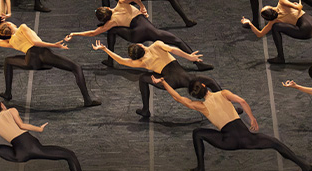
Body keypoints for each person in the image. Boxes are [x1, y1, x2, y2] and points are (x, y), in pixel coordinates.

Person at [154, 79, 312, 171]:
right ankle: (304, 166)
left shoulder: (200, 106)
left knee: (198, 133)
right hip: (247, 139)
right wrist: (252, 118)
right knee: (275, 143)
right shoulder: (223, 94)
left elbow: (178, 98)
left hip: (227, 142)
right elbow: (242, 101)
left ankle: (200, 169)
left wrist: (163, 82)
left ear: (195, 96)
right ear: (204, 85)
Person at [0, 22, 101, 108]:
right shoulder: (22, 28)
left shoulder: (10, 42)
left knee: (8, 61)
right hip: (43, 55)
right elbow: (35, 43)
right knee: (76, 68)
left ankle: (8, 93)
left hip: (31, 61)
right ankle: (87, 100)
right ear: (10, 26)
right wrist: (55, 45)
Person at [65, 0, 206, 68]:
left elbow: (93, 33)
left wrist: (74, 33)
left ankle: (110, 60)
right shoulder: (121, 3)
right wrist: (142, 7)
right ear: (107, 8)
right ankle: (197, 62)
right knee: (176, 41)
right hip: (148, 29)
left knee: (113, 30)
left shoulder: (110, 22)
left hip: (135, 35)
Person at [91, 40, 219, 119]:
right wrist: (189, 57)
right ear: (140, 45)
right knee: (210, 82)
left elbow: (121, 61)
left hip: (169, 81)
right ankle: (224, 103)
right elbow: (173, 49)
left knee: (143, 78)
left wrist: (105, 49)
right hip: (185, 77)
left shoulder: (141, 62)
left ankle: (145, 110)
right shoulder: (157, 45)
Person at [242, 0, 312, 65]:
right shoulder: (281, 2)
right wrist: (297, 4)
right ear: (271, 8)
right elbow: (299, 7)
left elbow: (260, 34)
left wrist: (250, 23)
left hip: (305, 31)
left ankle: (280, 57)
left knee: (276, 27)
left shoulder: (273, 21)